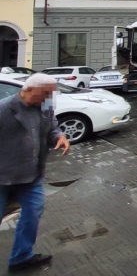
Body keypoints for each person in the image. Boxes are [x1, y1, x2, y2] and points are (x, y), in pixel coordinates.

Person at [0, 73, 69, 272]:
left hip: (32, 175)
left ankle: (21, 258)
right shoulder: (4, 109)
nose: (49, 97)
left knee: (33, 213)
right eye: (46, 93)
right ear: (28, 90)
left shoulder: (46, 105)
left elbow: (52, 126)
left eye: (51, 93)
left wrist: (60, 136)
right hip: (3, 176)